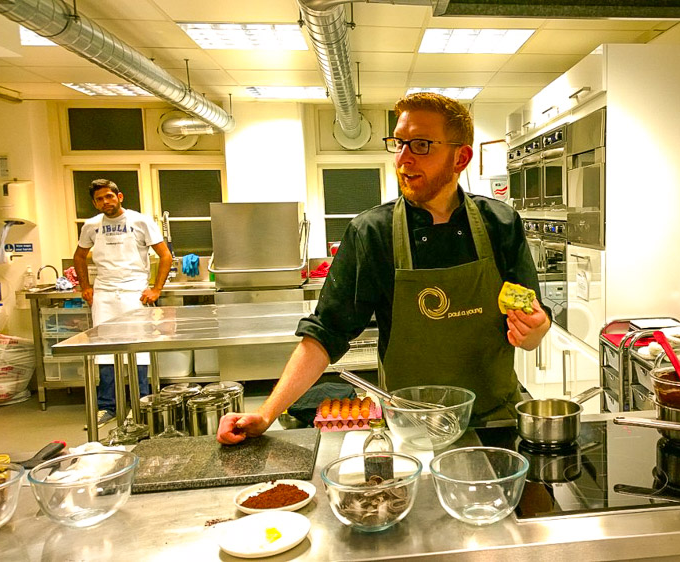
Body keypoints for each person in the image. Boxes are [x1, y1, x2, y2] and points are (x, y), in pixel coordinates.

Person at [217, 92, 551, 444]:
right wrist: (267, 411)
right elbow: (325, 333)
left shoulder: (500, 223)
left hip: (495, 421)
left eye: (421, 145)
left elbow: (534, 320)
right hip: (414, 428)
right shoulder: (372, 233)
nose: (403, 158)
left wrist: (535, 330)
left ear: (461, 158)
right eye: (399, 143)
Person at [73, 179, 173, 426]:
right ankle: (108, 406)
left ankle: (139, 405)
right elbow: (79, 256)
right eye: (99, 199)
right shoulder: (91, 226)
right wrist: (85, 287)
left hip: (134, 293)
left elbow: (165, 255)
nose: (105, 202)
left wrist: (156, 289)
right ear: (94, 203)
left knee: (138, 350)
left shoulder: (140, 221)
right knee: (105, 352)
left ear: (120, 196)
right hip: (105, 294)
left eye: (109, 196)